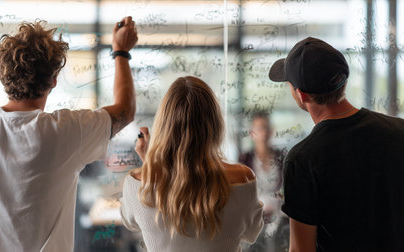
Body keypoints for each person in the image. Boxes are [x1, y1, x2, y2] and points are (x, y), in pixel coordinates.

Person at [0, 17, 137, 251]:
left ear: (2, 75)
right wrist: (120, 51)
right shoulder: (66, 131)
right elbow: (125, 110)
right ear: (54, 80)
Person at [268, 37, 404, 252]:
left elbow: (301, 250)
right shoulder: (400, 131)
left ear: (301, 95)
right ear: (345, 80)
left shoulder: (302, 159)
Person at [120, 76, 264, 252]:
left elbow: (131, 221)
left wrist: (151, 163)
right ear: (215, 124)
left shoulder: (135, 182)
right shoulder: (243, 178)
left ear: (163, 127)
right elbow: (252, 232)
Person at [238, 113, 288, 252]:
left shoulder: (282, 158)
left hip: (279, 219)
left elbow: (287, 191)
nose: (264, 132)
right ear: (251, 133)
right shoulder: (244, 160)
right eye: (259, 128)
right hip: (252, 220)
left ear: (271, 131)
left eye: (266, 128)